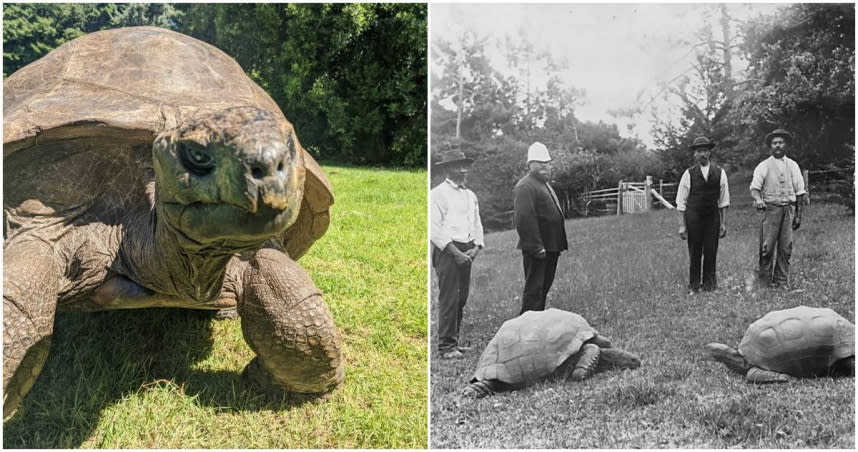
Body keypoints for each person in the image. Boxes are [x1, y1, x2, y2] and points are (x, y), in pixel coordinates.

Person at [430, 149, 485, 359]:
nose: (463, 170)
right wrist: (455, 252)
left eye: (465, 166)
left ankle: (455, 340)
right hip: (447, 252)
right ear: (446, 169)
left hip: (467, 250)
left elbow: (476, 222)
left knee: (462, 298)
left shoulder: (470, 195)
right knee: (449, 299)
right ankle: (446, 346)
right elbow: (435, 229)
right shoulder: (437, 194)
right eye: (457, 166)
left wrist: (477, 247)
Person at [514, 142, 568, 314]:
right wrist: (536, 247)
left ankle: (537, 323)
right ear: (530, 164)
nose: (545, 165)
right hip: (538, 249)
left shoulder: (543, 184)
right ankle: (526, 327)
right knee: (534, 291)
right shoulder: (525, 186)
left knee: (543, 289)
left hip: (551, 246)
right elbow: (523, 218)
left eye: (547, 162)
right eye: (540, 162)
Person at [750, 128, 806, 289]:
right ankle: (765, 282)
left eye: (781, 142)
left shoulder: (793, 166)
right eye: (775, 143)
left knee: (786, 247)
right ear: (770, 146)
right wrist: (758, 199)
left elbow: (800, 192)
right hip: (770, 210)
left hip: (788, 210)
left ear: (786, 145)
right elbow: (754, 188)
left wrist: (798, 216)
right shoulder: (764, 166)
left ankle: (781, 282)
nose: (778, 146)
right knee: (766, 248)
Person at [675, 136, 730, 294]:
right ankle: (694, 286)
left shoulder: (720, 173)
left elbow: (724, 200)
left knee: (711, 251)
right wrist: (682, 225)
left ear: (710, 152)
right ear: (695, 154)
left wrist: (724, 223)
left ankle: (710, 285)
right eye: (699, 151)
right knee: (695, 251)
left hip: (712, 217)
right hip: (694, 217)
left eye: (705, 151)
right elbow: (681, 201)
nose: (702, 154)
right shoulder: (688, 174)